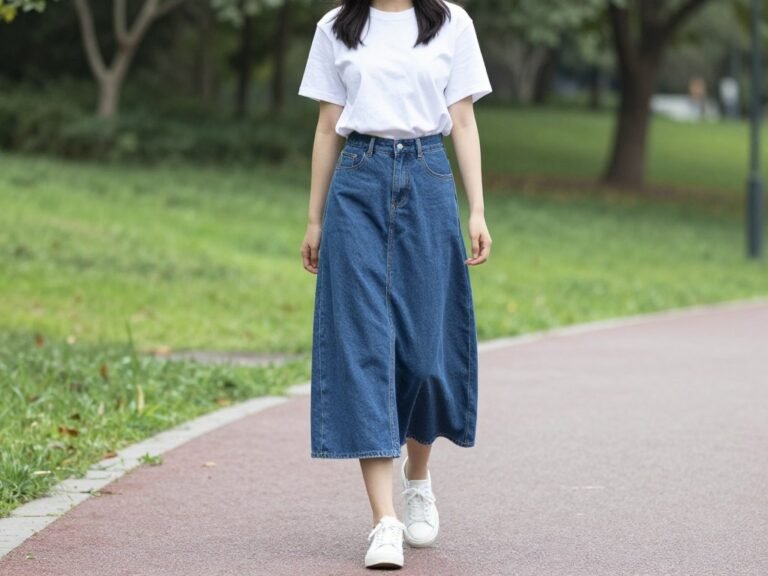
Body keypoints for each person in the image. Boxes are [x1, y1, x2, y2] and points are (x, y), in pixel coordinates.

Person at [297, 0, 493, 569]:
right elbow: (326, 126)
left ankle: (419, 476)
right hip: (357, 182)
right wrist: (314, 219)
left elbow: (462, 119)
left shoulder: (452, 23)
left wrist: (477, 209)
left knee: (426, 353)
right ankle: (384, 521)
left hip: (429, 178)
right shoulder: (336, 27)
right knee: (363, 348)